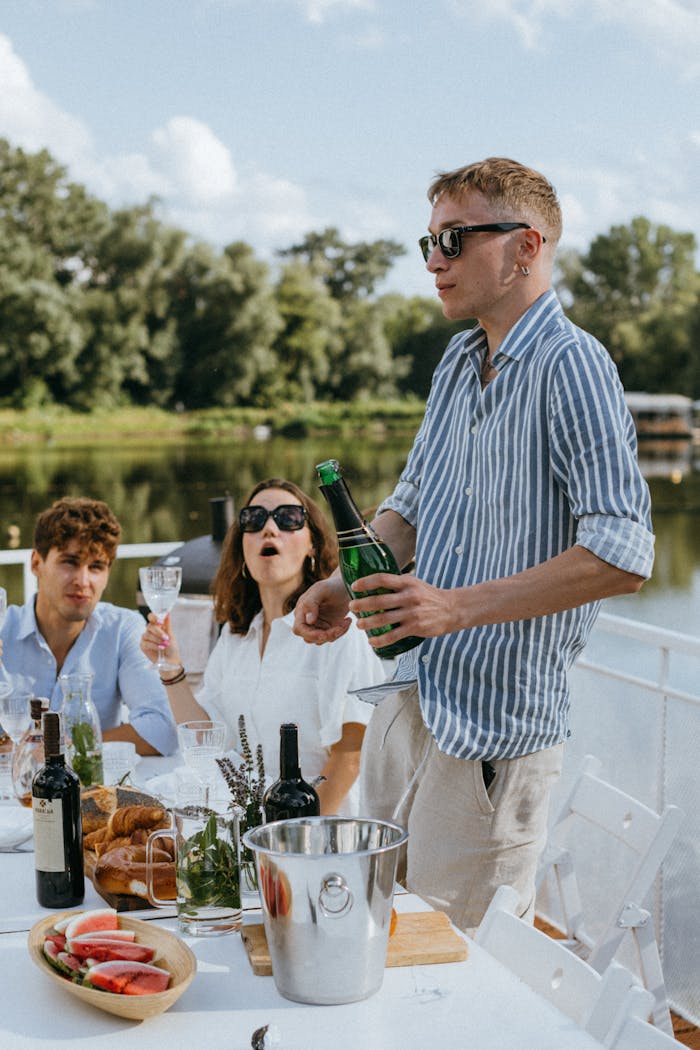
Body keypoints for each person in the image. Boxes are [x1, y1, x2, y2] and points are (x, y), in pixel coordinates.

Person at [293, 157, 655, 932]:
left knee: (458, 971)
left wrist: (451, 607)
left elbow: (623, 551)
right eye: (426, 243)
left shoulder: (574, 366)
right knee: (380, 930)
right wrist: (334, 579)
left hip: (493, 734)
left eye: (454, 240)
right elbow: (411, 503)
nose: (433, 263)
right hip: (410, 701)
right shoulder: (459, 363)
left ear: (526, 248)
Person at [141, 478, 388, 814]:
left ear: (312, 545)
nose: (269, 528)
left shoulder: (336, 630)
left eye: (288, 518)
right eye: (253, 520)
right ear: (241, 547)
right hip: (255, 829)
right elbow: (206, 740)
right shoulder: (236, 636)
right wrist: (171, 669)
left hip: (325, 834)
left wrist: (296, 842)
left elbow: (350, 754)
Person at [0, 497, 177, 756]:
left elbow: (161, 731)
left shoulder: (122, 629)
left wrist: (59, 750)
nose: (83, 581)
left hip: (92, 791)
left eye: (96, 566)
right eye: (69, 562)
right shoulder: (3, 628)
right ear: (36, 563)